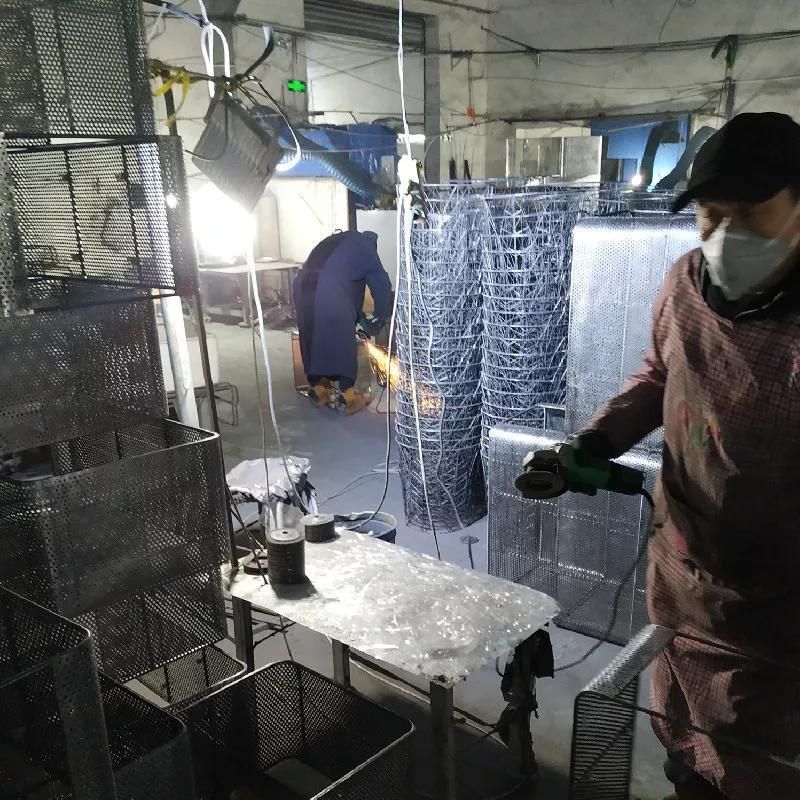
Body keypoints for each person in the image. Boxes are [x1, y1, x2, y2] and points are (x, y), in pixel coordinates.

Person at [576, 112, 800, 800]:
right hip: (680, 575)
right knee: (680, 735)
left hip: (774, 610)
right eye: (709, 213)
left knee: (754, 764)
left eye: (750, 213)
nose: (725, 234)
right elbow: (658, 374)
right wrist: (595, 441)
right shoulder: (685, 284)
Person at [293, 230, 393, 415]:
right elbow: (382, 286)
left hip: (301, 285)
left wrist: (358, 316)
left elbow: (351, 290)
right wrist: (380, 317)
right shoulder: (366, 248)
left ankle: (318, 389)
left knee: (312, 336)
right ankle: (348, 397)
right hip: (328, 288)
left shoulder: (340, 241)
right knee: (342, 339)